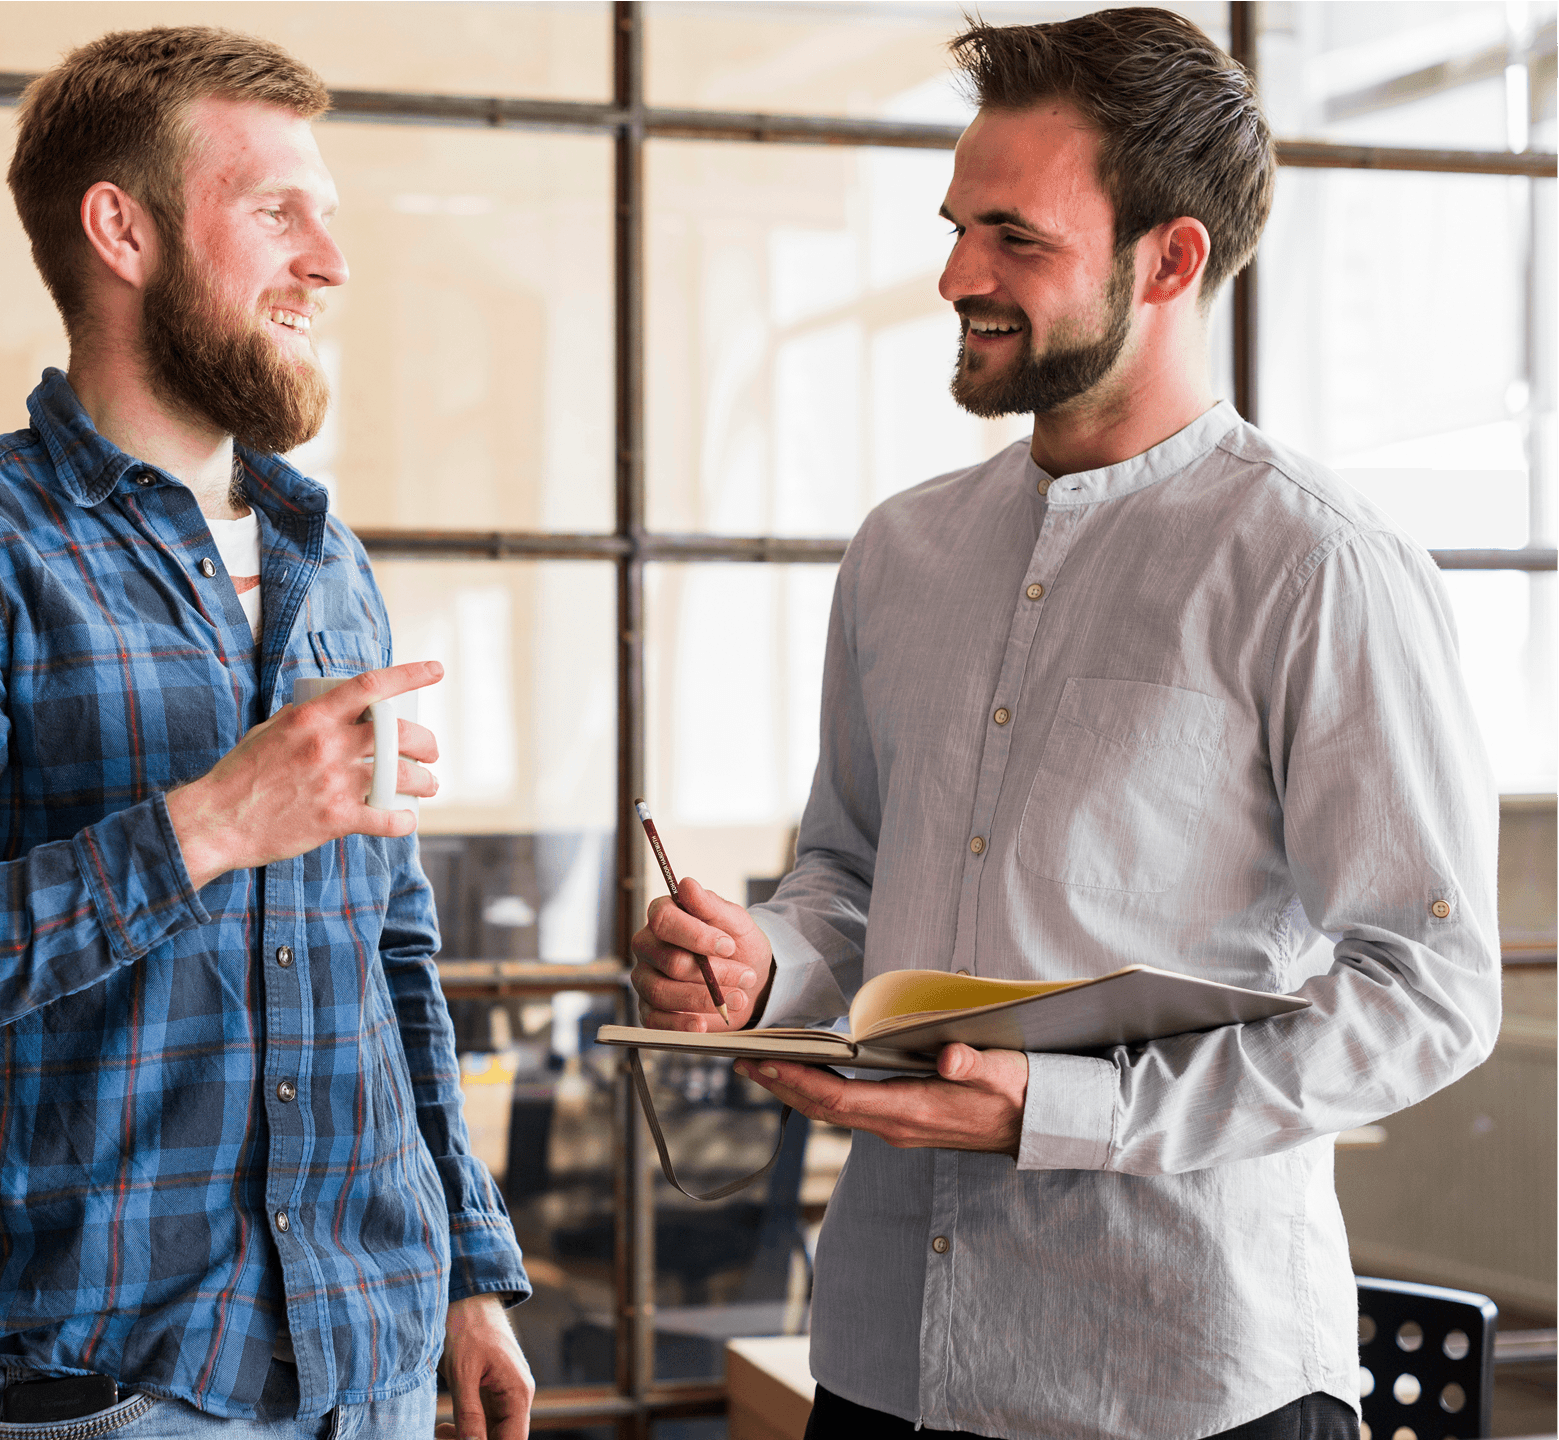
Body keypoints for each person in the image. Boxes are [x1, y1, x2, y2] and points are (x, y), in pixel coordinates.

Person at [629, 10, 1499, 1440]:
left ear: (1170, 260)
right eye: (959, 225)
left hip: (1180, 1380)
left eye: (1014, 238)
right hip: (882, 1364)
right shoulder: (898, 553)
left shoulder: (1315, 563)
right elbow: (848, 879)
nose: (956, 274)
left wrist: (1064, 1110)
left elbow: (1432, 987)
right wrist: (757, 964)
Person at [0, 27, 533, 1440]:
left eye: (329, 216)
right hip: (118, 1392)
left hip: (371, 1360)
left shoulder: (328, 562)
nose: (330, 262)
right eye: (274, 211)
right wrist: (211, 827)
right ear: (121, 229)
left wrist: (471, 1269)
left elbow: (390, 949)